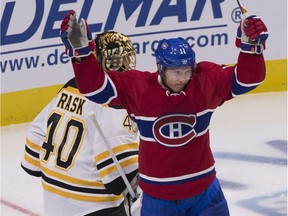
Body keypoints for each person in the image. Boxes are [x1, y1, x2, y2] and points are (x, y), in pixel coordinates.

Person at [60, 10, 268, 216]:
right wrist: (82, 56)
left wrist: (252, 49)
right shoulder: (139, 88)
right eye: (176, 72)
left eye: (187, 71)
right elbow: (96, 89)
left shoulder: (204, 82)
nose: (183, 78)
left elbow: (247, 79)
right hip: (159, 199)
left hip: (205, 192)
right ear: (160, 68)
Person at [21, 30, 140, 216]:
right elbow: (120, 171)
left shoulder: (71, 85)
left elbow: (35, 136)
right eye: (125, 58)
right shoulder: (115, 99)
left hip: (53, 201)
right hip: (94, 207)